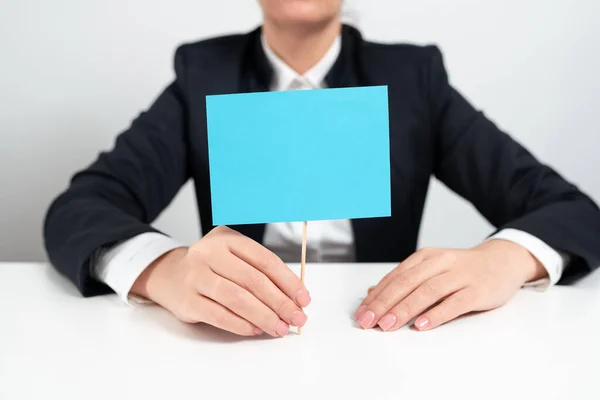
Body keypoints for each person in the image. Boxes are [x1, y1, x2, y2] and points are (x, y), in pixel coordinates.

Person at [44, 0, 600, 337]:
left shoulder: (413, 78)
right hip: (238, 348)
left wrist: (504, 260)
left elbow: (573, 211)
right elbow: (80, 210)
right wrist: (163, 270)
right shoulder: (202, 74)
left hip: (377, 336)